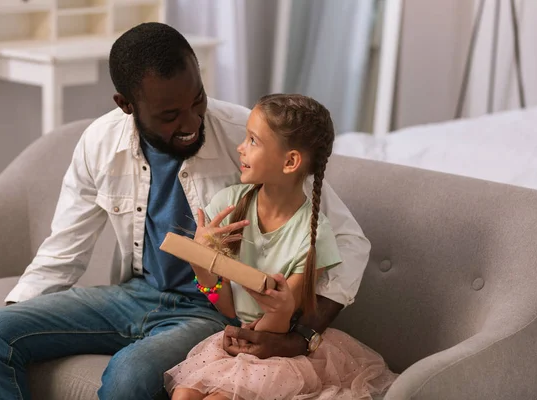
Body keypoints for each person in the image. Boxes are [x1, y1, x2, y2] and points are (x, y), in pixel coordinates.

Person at [0, 23, 370, 400]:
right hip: (135, 292)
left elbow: (347, 240)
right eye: (170, 115)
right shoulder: (99, 144)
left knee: (129, 377)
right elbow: (63, 252)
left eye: (198, 101)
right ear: (126, 104)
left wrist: (301, 337)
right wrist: (25, 315)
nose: (193, 122)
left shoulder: (246, 139)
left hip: (208, 310)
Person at [166, 94, 396, 400]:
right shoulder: (227, 205)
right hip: (238, 338)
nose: (240, 148)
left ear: (290, 162)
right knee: (183, 395)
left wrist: (281, 307)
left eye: (252, 140)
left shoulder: (315, 235)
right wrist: (201, 261)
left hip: (278, 349)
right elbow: (228, 307)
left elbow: (277, 326)